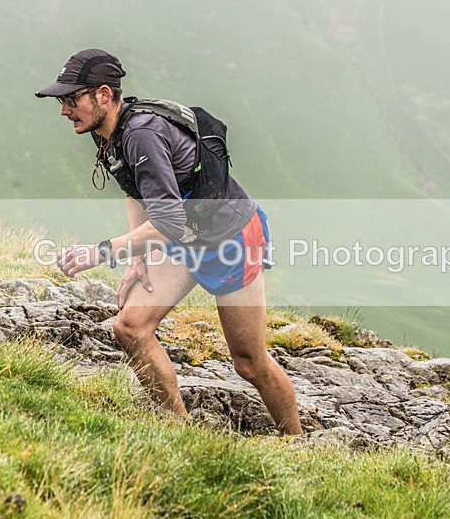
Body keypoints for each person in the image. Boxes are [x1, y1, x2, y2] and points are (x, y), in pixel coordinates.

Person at [35, 48, 302, 435]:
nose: (64, 110)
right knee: (130, 327)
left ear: (104, 95)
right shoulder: (108, 130)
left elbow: (168, 222)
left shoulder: (142, 134)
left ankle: (296, 445)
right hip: (185, 233)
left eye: (72, 99)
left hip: (231, 238)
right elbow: (135, 191)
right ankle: (179, 431)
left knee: (248, 362)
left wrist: (102, 251)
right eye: (63, 100)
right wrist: (136, 259)